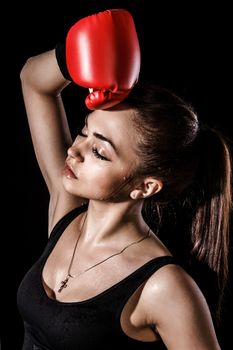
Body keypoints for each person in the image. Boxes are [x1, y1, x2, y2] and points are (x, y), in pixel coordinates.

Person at [17, 8, 231, 350]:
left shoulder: (163, 286)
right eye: (83, 132)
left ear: (145, 186)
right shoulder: (67, 212)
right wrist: (69, 59)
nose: (74, 151)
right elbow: (34, 81)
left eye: (100, 152)